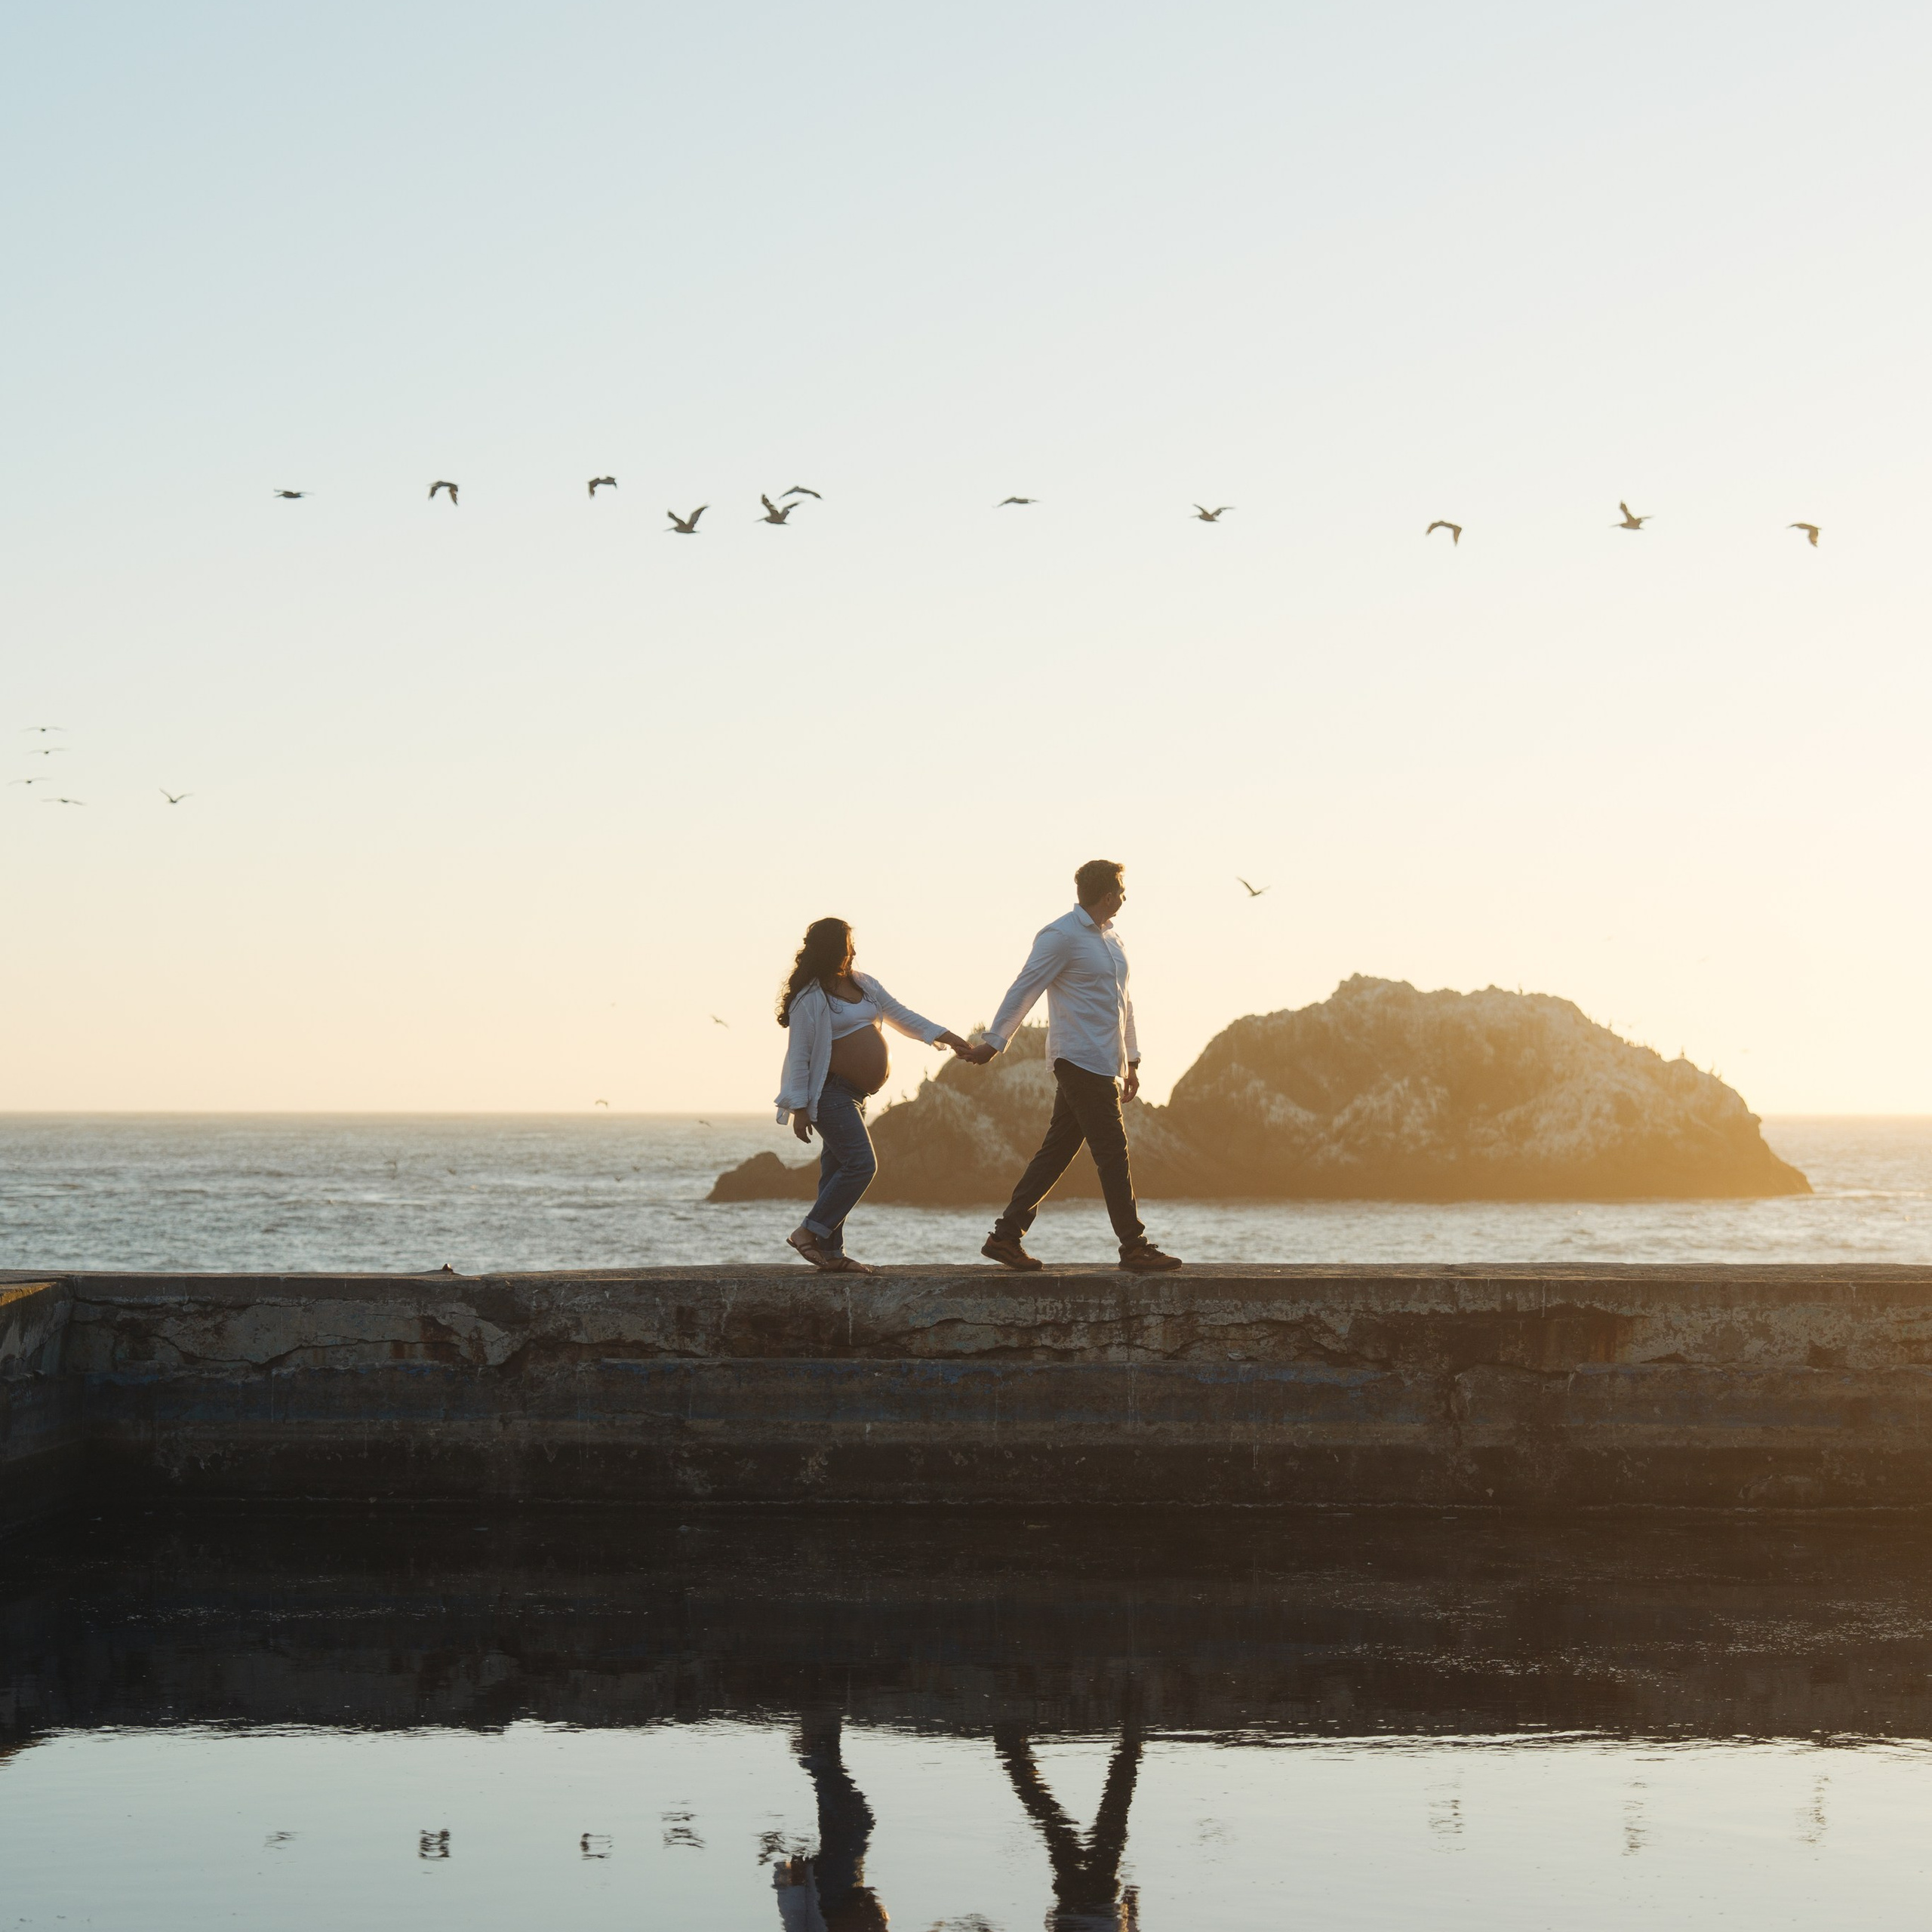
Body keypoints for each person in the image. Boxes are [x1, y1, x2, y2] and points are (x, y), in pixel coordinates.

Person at [961, 860, 1183, 1272]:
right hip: (1076, 1058)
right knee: (1112, 1151)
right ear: (1106, 895)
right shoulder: (1060, 936)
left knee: (1057, 1151)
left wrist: (1131, 1059)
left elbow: (1124, 1002)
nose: (1125, 895)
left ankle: (1005, 1236)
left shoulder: (1114, 940)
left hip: (1105, 1061)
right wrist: (994, 1042)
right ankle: (1133, 1246)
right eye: (1121, 888)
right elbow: (1025, 986)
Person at [775, 916, 974, 1274]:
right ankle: (807, 1231)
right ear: (830, 948)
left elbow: (900, 1015)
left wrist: (946, 1036)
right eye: (845, 943)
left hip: (856, 1096)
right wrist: (799, 1108)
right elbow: (800, 1054)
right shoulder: (810, 997)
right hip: (830, 1093)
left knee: (835, 1171)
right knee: (862, 1164)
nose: (851, 950)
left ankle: (833, 1255)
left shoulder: (864, 985)